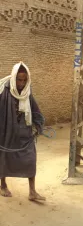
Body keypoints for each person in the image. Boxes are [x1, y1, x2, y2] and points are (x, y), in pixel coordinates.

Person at [0, 62, 46, 201]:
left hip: (24, 133)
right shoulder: (3, 90)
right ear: (14, 78)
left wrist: (38, 125)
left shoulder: (27, 91)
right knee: (4, 158)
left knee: (30, 159)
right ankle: (3, 185)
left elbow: (34, 109)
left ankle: (32, 191)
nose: (21, 83)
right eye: (19, 79)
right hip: (5, 131)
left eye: (24, 79)